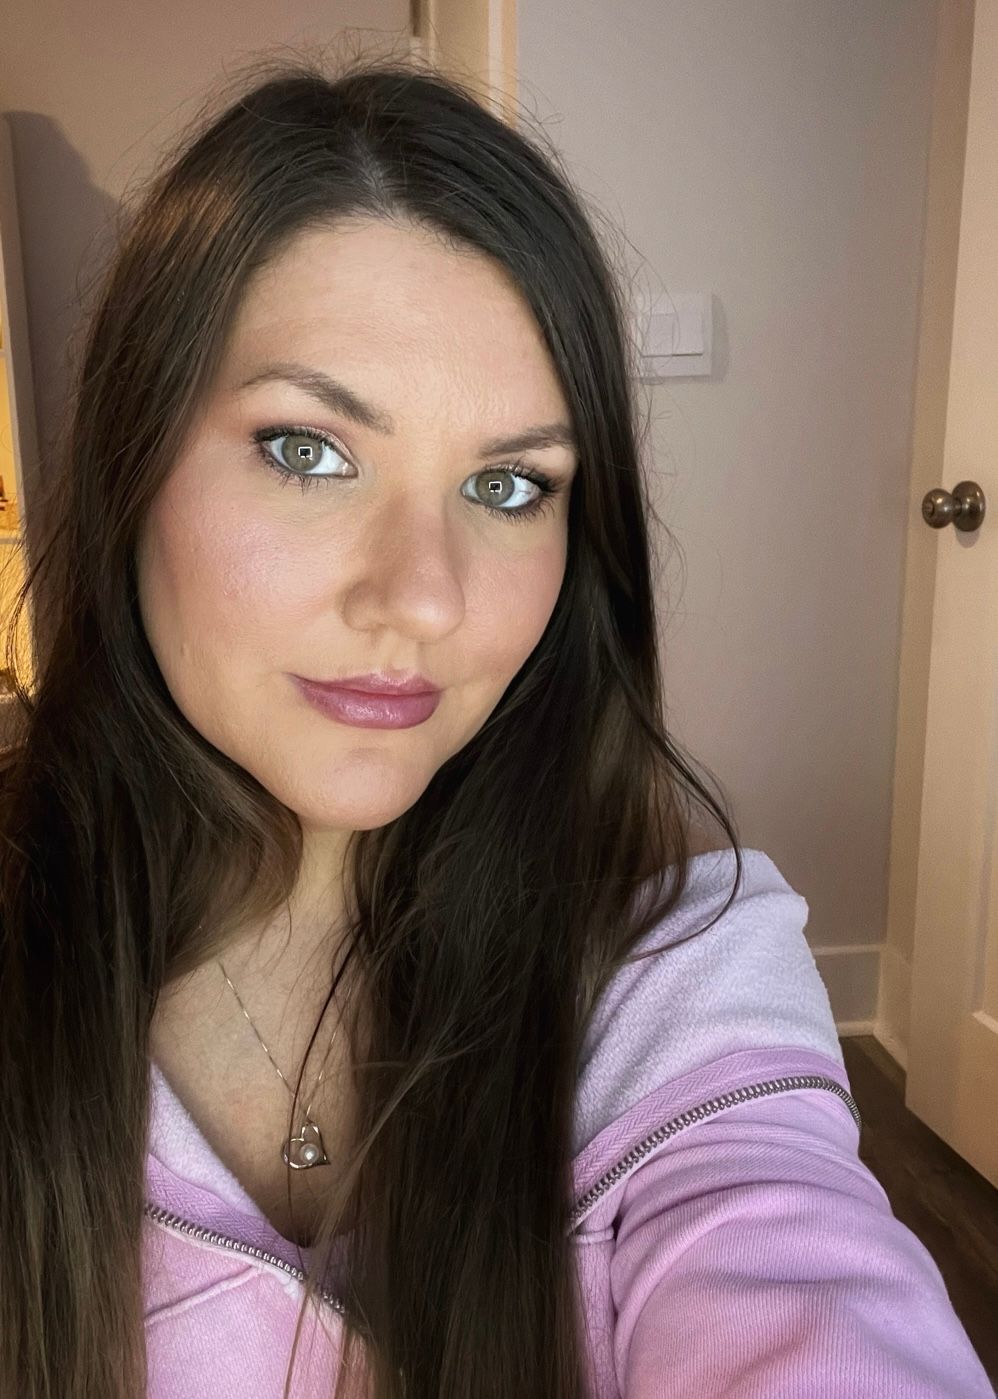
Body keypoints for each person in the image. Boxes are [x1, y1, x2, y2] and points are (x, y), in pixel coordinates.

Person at [0, 51, 992, 1399]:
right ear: (135, 460)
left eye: (510, 485)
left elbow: (785, 1262)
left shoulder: (669, 956)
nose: (424, 596)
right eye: (308, 450)